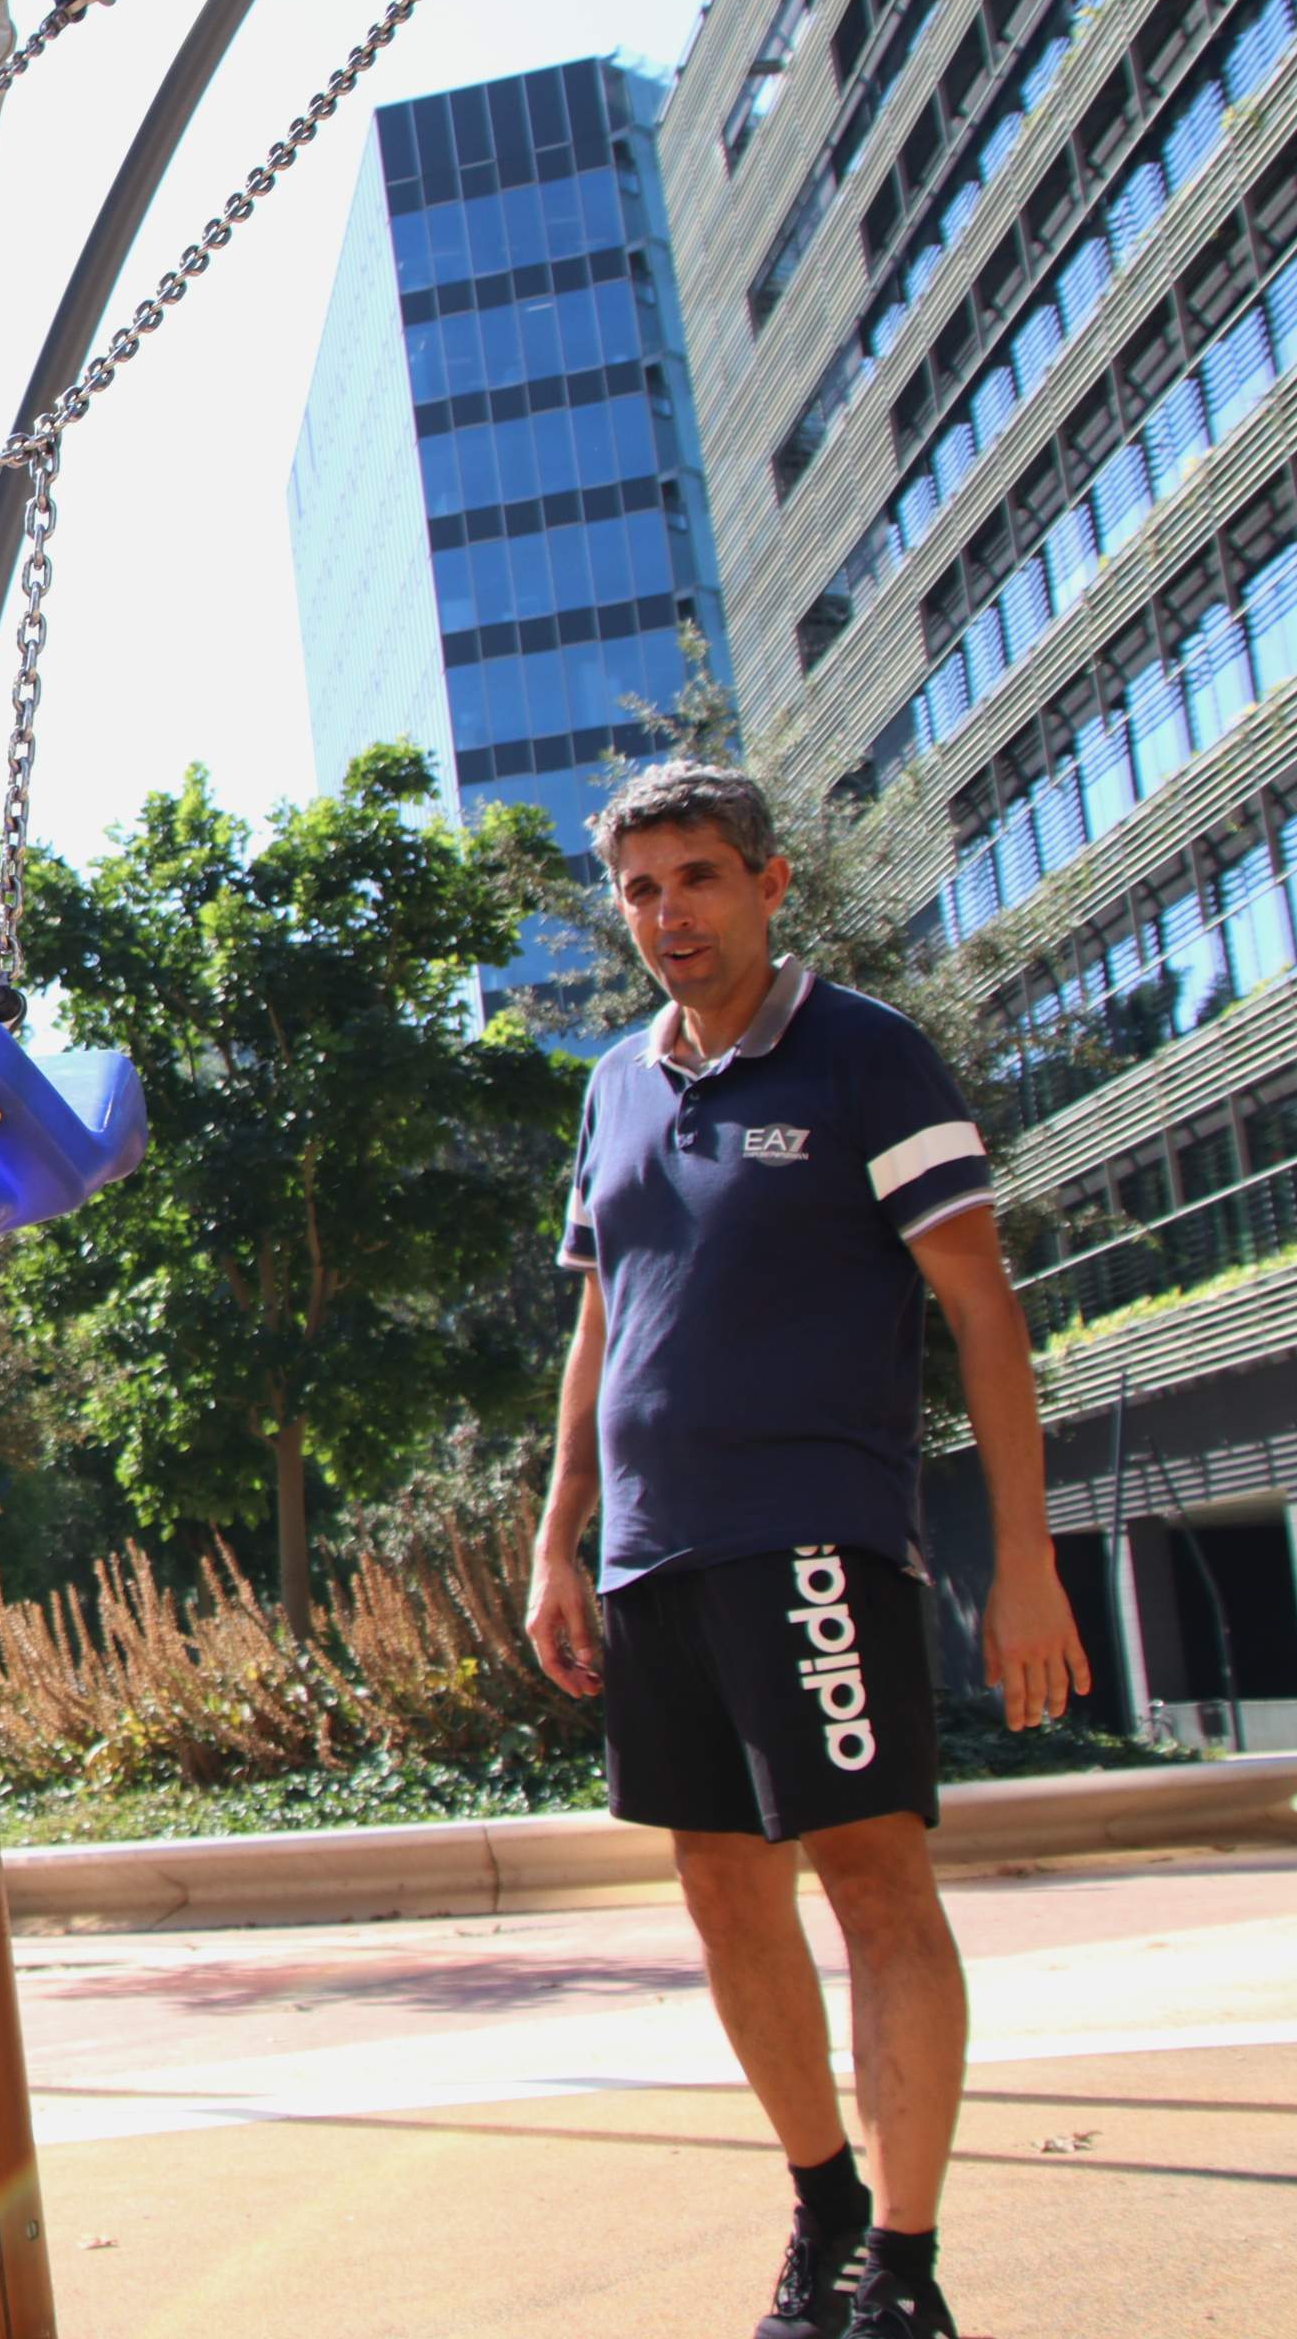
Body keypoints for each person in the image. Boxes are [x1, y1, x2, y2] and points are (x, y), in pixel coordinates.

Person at [521, 760, 1090, 2339]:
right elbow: (599, 1321)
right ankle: (827, 2207)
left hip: (813, 1537)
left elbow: (981, 1308)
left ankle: (904, 2272)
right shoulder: (616, 1084)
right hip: (651, 1554)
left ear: (771, 884)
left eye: (698, 878)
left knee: (871, 1878)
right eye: (640, 890)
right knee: (719, 1887)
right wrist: (557, 1537)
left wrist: (1024, 1562)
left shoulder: (865, 1056)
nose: (667, 915)